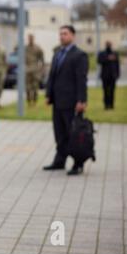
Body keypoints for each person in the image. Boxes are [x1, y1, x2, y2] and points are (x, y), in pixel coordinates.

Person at [44, 25, 89, 176]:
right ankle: (60, 161)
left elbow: (81, 79)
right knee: (60, 133)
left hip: (72, 102)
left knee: (73, 135)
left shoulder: (79, 55)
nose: (62, 36)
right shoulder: (58, 53)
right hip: (57, 101)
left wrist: (82, 100)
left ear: (73, 36)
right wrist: (48, 95)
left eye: (65, 34)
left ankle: (78, 163)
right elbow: (52, 76)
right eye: (61, 34)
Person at [98, 41, 120, 110]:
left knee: (112, 91)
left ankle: (111, 105)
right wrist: (108, 58)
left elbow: (117, 65)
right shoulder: (102, 53)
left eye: (109, 44)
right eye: (107, 44)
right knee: (105, 91)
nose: (108, 45)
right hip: (105, 76)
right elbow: (99, 61)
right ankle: (106, 105)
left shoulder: (115, 53)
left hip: (113, 76)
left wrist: (118, 74)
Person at [25, 34, 45, 106]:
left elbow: (42, 59)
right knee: (27, 87)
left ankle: (34, 102)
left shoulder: (37, 48)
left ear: (33, 38)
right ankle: (29, 101)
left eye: (31, 38)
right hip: (27, 70)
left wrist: (42, 68)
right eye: (29, 38)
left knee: (35, 87)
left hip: (36, 70)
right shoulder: (25, 48)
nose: (30, 39)